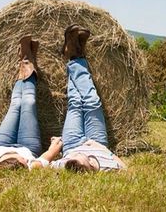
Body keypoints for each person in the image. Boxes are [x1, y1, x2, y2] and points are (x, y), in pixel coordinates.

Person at [0, 36, 62, 170]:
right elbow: (49, 155)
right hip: (29, 145)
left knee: (16, 104)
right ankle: (27, 60)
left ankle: (25, 61)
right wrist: (56, 144)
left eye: (24, 160)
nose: (26, 160)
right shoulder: (32, 165)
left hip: (1, 144)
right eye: (26, 161)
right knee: (28, 102)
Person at [49, 24, 127, 172]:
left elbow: (40, 164)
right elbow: (125, 168)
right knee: (93, 102)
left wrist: (53, 148)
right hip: (97, 142)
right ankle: (75, 55)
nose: (80, 154)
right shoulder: (105, 167)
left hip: (72, 143)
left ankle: (75, 55)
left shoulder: (65, 165)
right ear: (91, 166)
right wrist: (101, 149)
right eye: (83, 158)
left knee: (75, 102)